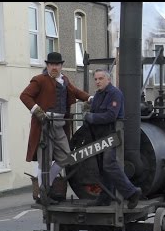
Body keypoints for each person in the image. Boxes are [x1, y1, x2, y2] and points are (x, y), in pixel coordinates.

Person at [20, 52, 92, 200]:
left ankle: (46, 186)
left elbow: (76, 92)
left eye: (57, 65)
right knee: (44, 161)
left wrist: (90, 97)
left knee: (66, 157)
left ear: (61, 66)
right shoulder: (39, 80)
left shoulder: (64, 80)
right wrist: (38, 111)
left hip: (59, 126)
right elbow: (24, 96)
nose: (54, 67)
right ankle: (42, 193)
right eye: (51, 64)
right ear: (47, 66)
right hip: (44, 126)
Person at [83, 68, 142, 208]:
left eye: (100, 78)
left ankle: (132, 192)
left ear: (108, 79)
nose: (97, 82)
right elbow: (93, 114)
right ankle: (105, 197)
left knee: (109, 165)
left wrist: (91, 117)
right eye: (96, 79)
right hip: (99, 135)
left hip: (111, 135)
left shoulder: (115, 94)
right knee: (102, 168)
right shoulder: (97, 95)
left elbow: (111, 116)